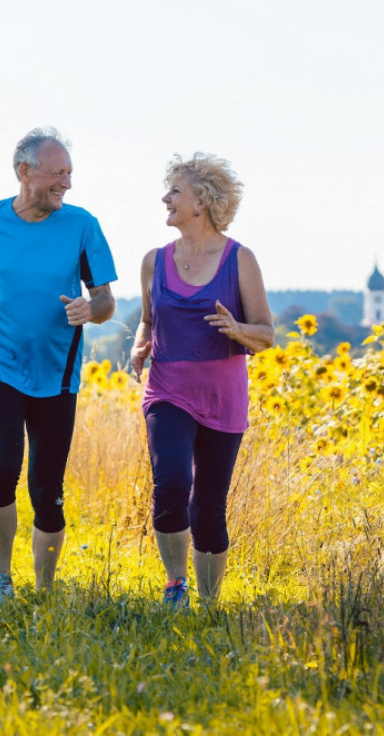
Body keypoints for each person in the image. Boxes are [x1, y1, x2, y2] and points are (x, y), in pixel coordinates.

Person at [0, 127, 117, 604]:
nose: (67, 184)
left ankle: (44, 590)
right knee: (3, 469)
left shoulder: (83, 226)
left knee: (48, 486)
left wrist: (90, 309)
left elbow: (105, 301)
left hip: (58, 371)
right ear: (25, 172)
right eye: (58, 174)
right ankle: (1, 579)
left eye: (70, 174)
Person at [130, 153, 274, 608]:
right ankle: (176, 586)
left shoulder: (240, 259)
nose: (165, 198)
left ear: (203, 201)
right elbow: (148, 320)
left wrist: (237, 330)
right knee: (171, 482)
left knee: (208, 505)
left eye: (175, 191)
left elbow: (265, 334)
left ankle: (210, 604)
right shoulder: (154, 261)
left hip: (222, 398)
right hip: (167, 391)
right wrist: (140, 346)